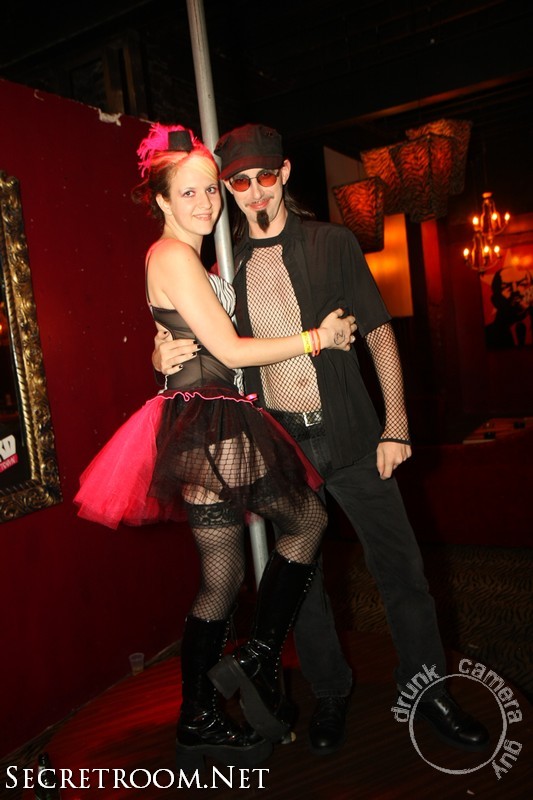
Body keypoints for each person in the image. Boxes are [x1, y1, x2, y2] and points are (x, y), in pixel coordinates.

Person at [153, 123, 490, 754]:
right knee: (304, 587)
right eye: (238, 182)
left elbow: (379, 334)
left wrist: (396, 426)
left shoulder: (332, 242)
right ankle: (330, 692)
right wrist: (161, 351)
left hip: (355, 436)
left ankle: (429, 691)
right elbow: (204, 341)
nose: (254, 191)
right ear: (229, 190)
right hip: (283, 445)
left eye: (264, 176)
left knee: (402, 571)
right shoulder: (225, 269)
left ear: (284, 175)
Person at [73, 123, 356, 773]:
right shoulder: (173, 256)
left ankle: (199, 714)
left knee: (223, 576)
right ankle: (255, 657)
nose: (205, 202)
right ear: (162, 201)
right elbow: (227, 349)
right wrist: (318, 338)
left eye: (209, 189)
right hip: (210, 419)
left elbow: (192, 338)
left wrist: (160, 354)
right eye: (189, 192)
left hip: (200, 416)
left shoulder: (179, 258)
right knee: (306, 521)